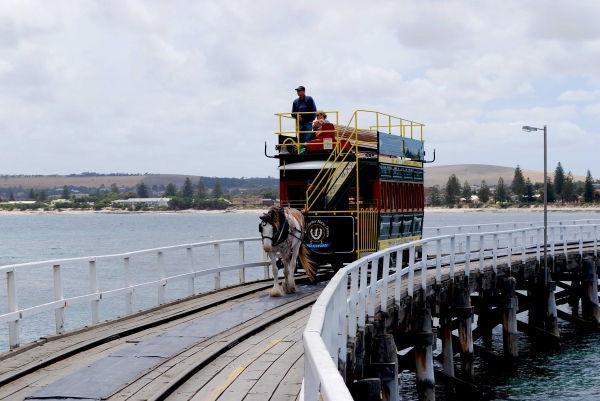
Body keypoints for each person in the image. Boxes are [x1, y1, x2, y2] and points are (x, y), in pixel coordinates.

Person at [291, 86, 317, 154]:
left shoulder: (309, 99)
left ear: (304, 91)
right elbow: (293, 114)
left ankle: (306, 150)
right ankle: (301, 150)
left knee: (307, 137)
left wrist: (305, 118)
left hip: (308, 122)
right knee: (300, 138)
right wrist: (297, 117)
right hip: (300, 123)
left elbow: (314, 112)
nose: (298, 92)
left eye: (300, 90)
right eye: (297, 91)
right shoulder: (295, 102)